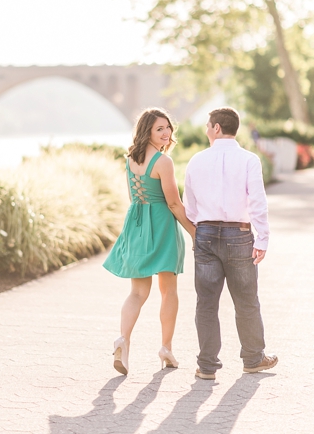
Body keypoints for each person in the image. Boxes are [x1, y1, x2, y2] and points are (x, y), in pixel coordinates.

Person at [184, 107, 277, 380]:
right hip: (240, 235)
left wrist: (199, 228)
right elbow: (257, 201)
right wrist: (262, 237)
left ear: (216, 128)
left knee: (206, 303)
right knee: (246, 301)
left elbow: (190, 205)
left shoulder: (196, 160)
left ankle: (207, 366)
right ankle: (253, 358)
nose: (205, 130)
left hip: (205, 234)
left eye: (207, 125)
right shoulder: (249, 160)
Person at [103, 107, 196, 375]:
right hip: (163, 226)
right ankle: (166, 348)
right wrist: (194, 232)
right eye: (159, 129)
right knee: (168, 291)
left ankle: (123, 340)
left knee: (137, 292)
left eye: (168, 128)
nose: (166, 133)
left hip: (137, 224)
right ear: (147, 131)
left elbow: (134, 198)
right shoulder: (163, 162)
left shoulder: (130, 160)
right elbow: (174, 203)